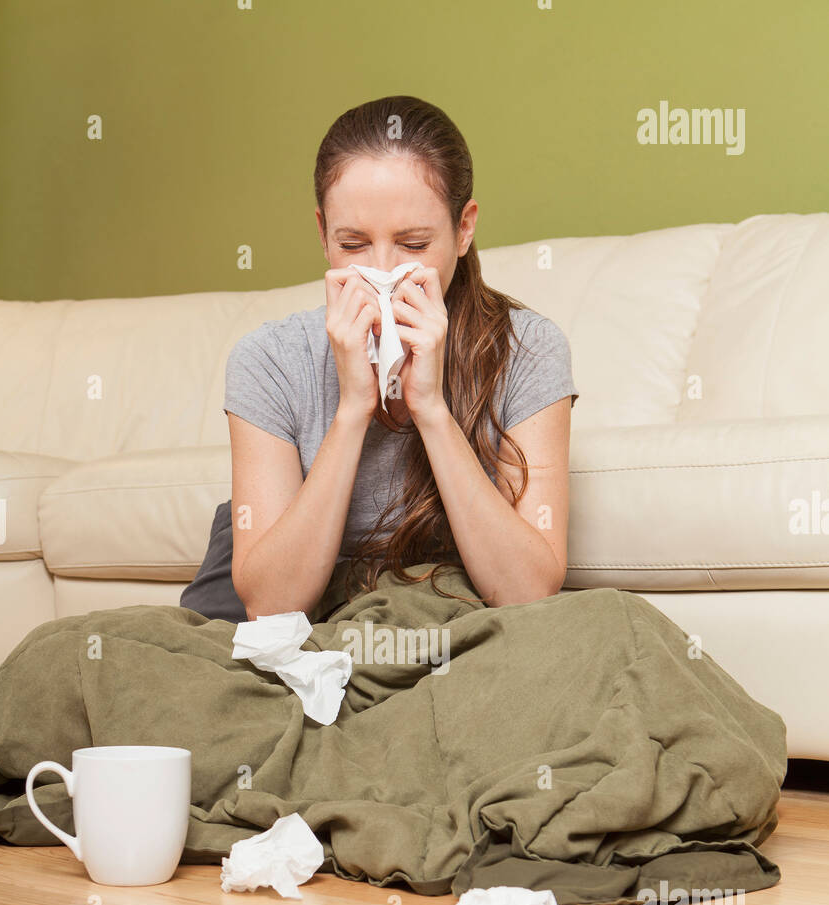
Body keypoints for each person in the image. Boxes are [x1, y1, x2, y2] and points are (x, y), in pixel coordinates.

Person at [180, 94, 578, 624]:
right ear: (323, 234)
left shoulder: (528, 351)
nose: (383, 274)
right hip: (295, 623)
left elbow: (529, 592)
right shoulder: (268, 360)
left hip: (431, 615)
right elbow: (272, 606)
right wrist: (352, 410)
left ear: (464, 229)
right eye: (353, 244)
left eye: (413, 244)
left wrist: (432, 409)